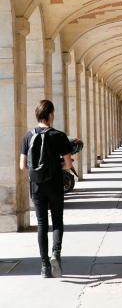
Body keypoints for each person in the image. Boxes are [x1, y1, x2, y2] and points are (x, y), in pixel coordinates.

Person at [20, 100, 72, 278]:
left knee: (42, 224)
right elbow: (68, 164)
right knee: (57, 221)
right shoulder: (59, 135)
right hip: (55, 185)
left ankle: (44, 267)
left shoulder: (28, 136)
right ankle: (56, 253)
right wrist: (55, 166)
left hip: (36, 187)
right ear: (50, 115)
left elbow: (23, 166)